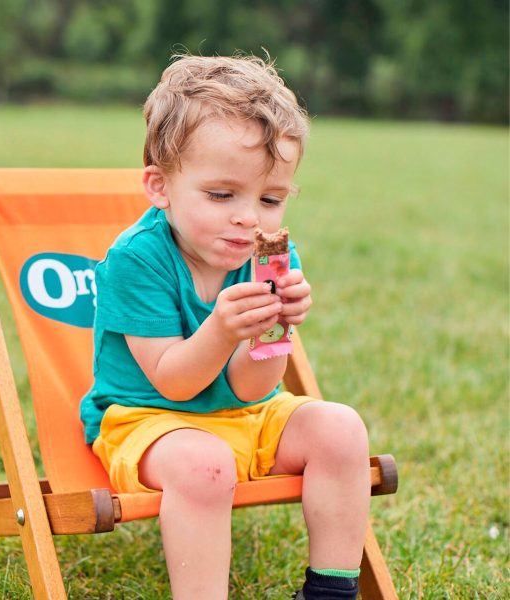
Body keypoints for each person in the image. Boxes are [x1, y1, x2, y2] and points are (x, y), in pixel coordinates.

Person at [80, 54, 370, 600]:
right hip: (147, 421)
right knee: (204, 462)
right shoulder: (136, 260)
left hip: (245, 413)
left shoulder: (270, 258)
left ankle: (331, 592)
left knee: (341, 429)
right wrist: (222, 328)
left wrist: (274, 328)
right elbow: (174, 382)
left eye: (271, 199)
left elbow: (255, 389)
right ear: (160, 187)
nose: (249, 218)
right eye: (221, 195)